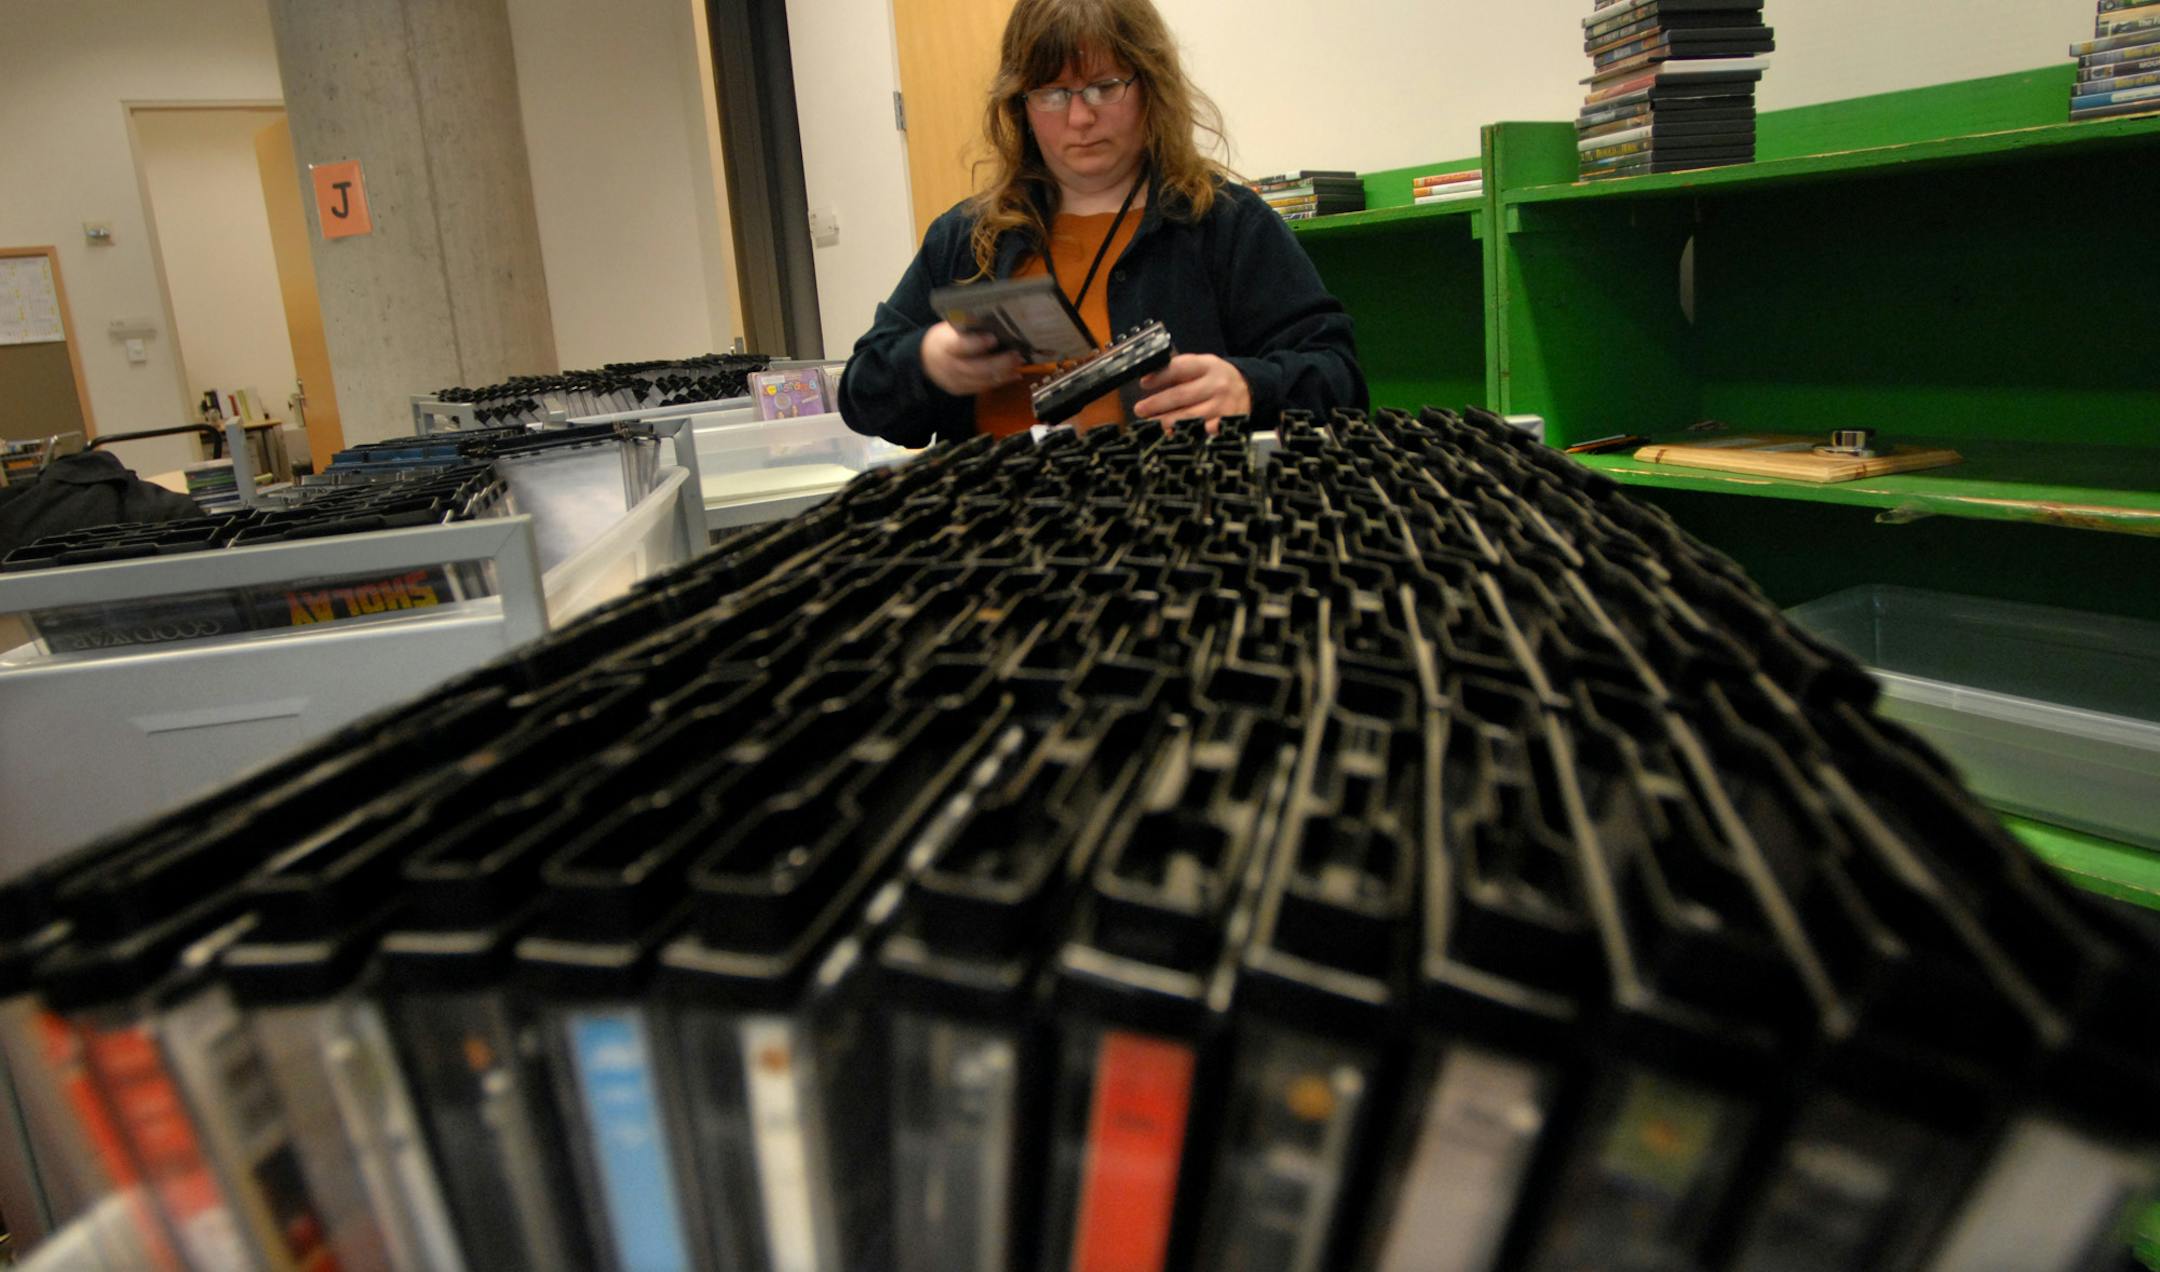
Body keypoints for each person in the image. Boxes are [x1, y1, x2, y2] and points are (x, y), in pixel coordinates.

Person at [838, 0, 1367, 448]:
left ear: (1150, 85)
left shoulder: (1224, 223)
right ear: (1019, 105)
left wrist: (1251, 388)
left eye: (1104, 86)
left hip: (1177, 535)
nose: (1079, 118)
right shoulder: (965, 239)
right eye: (1050, 93)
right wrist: (925, 361)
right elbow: (861, 397)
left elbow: (1339, 377)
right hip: (1000, 544)